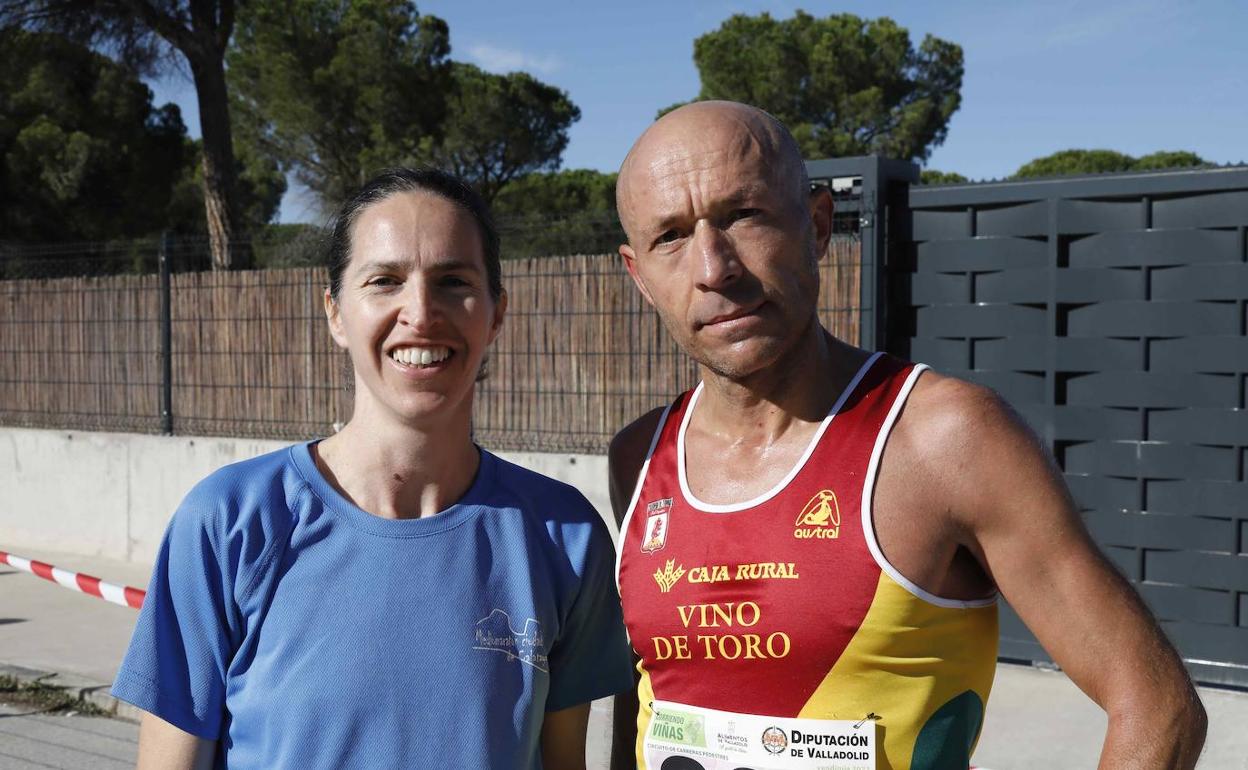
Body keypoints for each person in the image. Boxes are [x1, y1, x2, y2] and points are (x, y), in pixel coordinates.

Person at [608, 102, 1207, 770]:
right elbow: (649, 696)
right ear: (639, 276)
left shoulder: (946, 438)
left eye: (743, 215)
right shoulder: (638, 458)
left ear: (817, 224)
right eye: (671, 237)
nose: (713, 268)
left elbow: (1157, 706)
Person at [111, 167, 634, 769]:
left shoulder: (562, 534)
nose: (420, 312)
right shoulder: (230, 522)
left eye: (453, 281)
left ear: (496, 314)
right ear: (335, 312)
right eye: (384, 280)